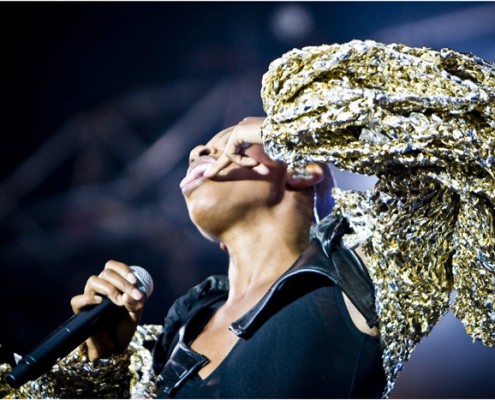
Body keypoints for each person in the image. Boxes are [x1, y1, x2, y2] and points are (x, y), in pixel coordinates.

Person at [2, 39, 494, 398]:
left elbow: (476, 123)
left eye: (231, 142)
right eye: (205, 146)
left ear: (302, 169)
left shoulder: (360, 273)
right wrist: (103, 369)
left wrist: (286, 127)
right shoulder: (171, 339)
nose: (200, 149)